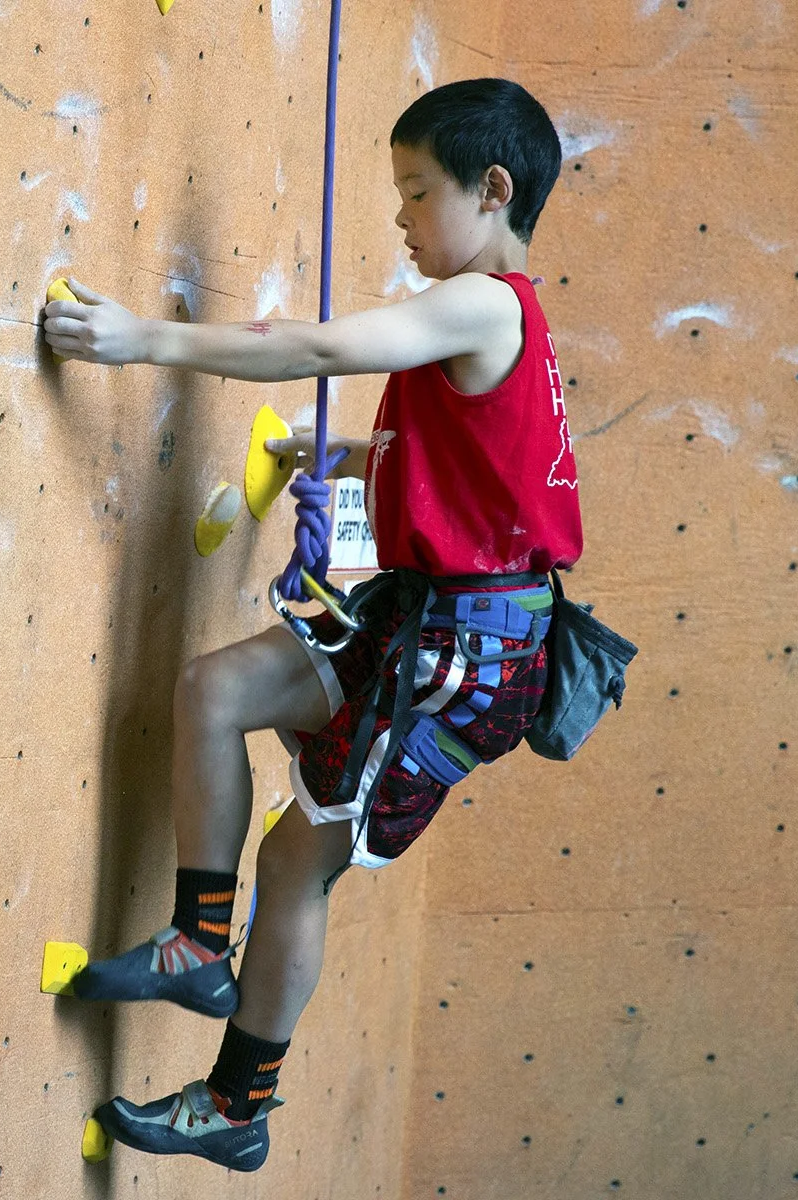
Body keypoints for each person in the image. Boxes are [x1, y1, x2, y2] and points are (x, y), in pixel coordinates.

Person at [40, 78, 584, 1173]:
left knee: (297, 867)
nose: (400, 216)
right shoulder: (489, 324)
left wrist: (142, 340)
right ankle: (201, 943)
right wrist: (340, 462)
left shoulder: (487, 303)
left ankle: (238, 1104)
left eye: (417, 191)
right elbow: (478, 477)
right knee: (216, 691)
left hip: (462, 654)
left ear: (494, 190)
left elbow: (327, 351)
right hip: (434, 620)